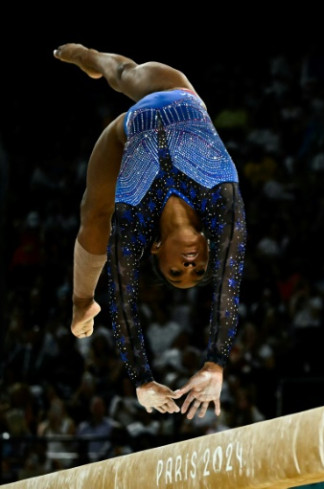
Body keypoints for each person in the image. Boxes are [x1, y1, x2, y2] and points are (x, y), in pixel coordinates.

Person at [54, 44, 247, 420]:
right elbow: (229, 285)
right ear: (209, 248)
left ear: (156, 249)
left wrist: (142, 380)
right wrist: (215, 363)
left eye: (177, 272)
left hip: (125, 134)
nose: (190, 266)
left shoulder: (136, 216)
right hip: (178, 95)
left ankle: (80, 303)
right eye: (198, 270)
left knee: (94, 216)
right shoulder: (222, 205)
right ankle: (92, 59)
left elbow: (124, 297)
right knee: (123, 72)